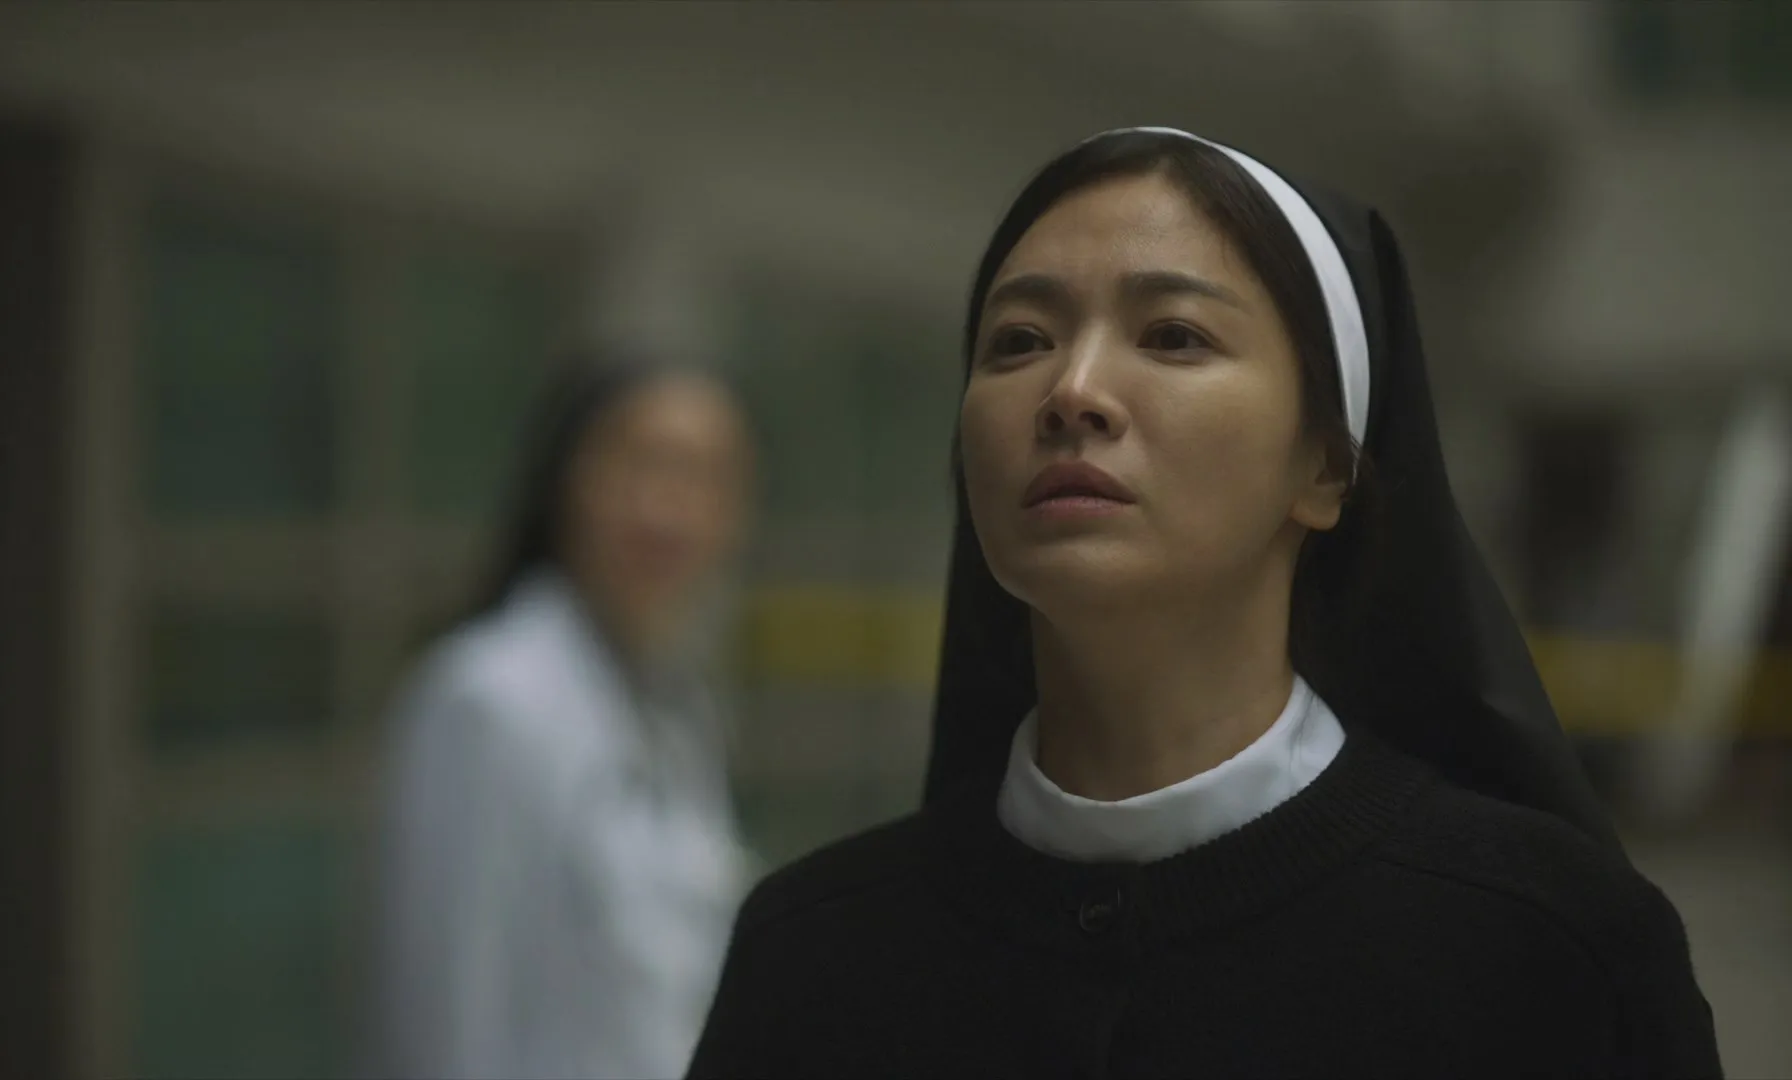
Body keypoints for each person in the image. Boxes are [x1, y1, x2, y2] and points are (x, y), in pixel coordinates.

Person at [687, 128, 1722, 1078]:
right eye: (1018, 341)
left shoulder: (1549, 948)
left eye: (1174, 335)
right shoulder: (808, 955)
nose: (1071, 390)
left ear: (1325, 466)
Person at [372, 351, 755, 1080]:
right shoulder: (488, 700)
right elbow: (452, 1024)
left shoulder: (681, 710)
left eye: (708, 477)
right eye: (642, 463)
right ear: (565, 480)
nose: (669, 507)